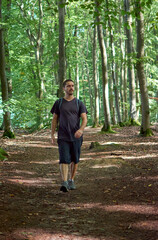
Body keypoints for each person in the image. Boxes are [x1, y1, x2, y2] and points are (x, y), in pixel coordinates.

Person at [50, 79, 88, 192]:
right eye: (68, 86)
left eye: (72, 86)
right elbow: (54, 119)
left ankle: (71, 179)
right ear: (64, 88)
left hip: (76, 136)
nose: (71, 88)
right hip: (62, 136)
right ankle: (65, 182)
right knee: (63, 159)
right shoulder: (59, 102)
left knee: (74, 159)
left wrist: (81, 130)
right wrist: (52, 134)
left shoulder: (79, 103)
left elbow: (84, 119)